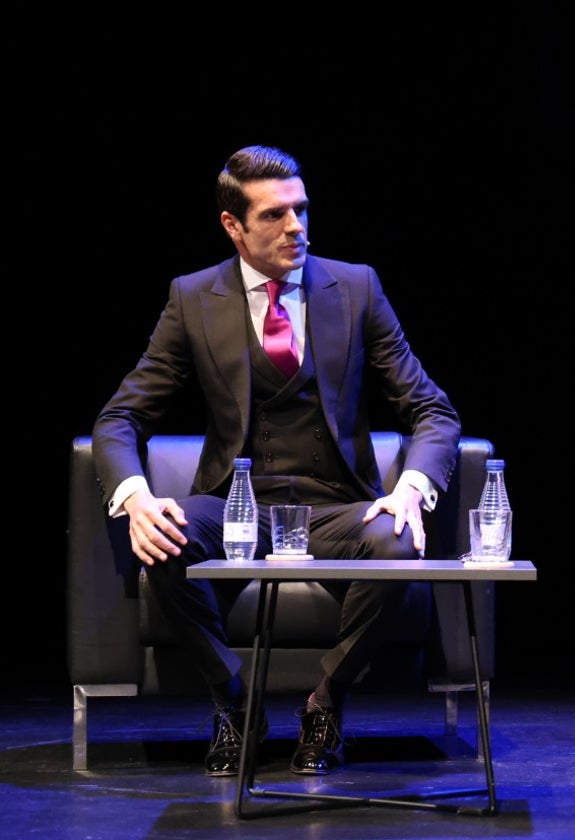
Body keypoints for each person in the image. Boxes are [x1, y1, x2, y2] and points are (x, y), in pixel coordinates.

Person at [91, 145, 462, 778]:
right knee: (165, 538)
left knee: (399, 541)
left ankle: (326, 700)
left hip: (336, 504)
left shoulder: (356, 288)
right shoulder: (192, 298)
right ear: (233, 225)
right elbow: (119, 417)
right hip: (238, 506)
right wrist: (136, 496)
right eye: (274, 215)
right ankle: (236, 700)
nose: (296, 227)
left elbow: (433, 409)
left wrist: (411, 490)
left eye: (302, 211)